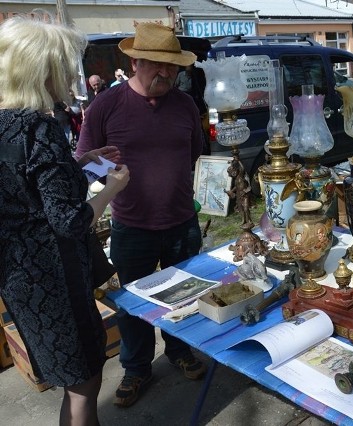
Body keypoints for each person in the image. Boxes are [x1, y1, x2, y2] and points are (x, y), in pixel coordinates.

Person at [0, 12, 130, 426]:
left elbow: (24, 191)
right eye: (63, 66)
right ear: (43, 69)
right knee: (85, 384)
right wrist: (112, 188)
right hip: (55, 279)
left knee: (73, 382)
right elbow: (70, 221)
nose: (70, 76)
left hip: (19, 277)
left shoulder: (4, 124)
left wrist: (79, 162)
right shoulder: (37, 127)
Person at [76, 22, 206, 408]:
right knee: (134, 304)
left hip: (183, 221)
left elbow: (195, 153)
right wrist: (106, 173)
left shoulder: (185, 105)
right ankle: (136, 368)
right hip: (132, 226)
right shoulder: (105, 106)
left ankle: (179, 351)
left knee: (185, 298)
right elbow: (83, 166)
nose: (165, 73)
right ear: (134, 62)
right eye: (155, 65)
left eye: (172, 67)